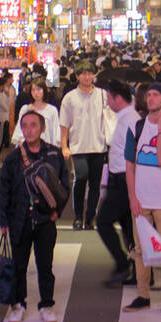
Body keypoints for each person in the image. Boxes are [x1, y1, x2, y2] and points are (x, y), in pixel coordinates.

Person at [0, 109, 71, 322]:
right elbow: (4, 190)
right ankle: (18, 304)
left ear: (43, 128)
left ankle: (46, 304)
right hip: (18, 219)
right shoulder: (13, 158)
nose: (29, 130)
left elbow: (64, 186)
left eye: (33, 125)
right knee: (18, 266)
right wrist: (4, 221)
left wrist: (57, 211)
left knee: (45, 265)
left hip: (45, 219)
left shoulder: (54, 154)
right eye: (25, 126)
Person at [123, 83, 161, 315]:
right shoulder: (135, 126)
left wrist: (160, 130)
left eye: (156, 94)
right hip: (140, 197)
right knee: (140, 250)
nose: (150, 98)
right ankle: (143, 295)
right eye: (148, 94)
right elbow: (129, 164)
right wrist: (132, 197)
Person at [96, 79, 139, 286]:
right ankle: (139, 269)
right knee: (129, 227)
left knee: (104, 221)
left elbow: (132, 154)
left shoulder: (130, 119)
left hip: (124, 179)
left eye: (109, 98)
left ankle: (123, 264)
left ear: (118, 98)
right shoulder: (124, 117)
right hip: (119, 178)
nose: (107, 103)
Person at [59, 59, 109, 231]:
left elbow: (109, 119)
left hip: (98, 145)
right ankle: (78, 216)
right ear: (77, 76)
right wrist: (64, 146)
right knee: (81, 178)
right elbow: (64, 125)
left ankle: (90, 218)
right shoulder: (69, 98)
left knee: (96, 184)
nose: (87, 76)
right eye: (83, 73)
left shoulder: (103, 95)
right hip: (78, 147)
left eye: (90, 73)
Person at [11, 77, 61, 146]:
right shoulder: (25, 109)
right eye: (33, 90)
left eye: (39, 89)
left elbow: (55, 131)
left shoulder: (52, 110)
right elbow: (20, 130)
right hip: (28, 148)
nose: (36, 93)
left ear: (44, 90)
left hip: (46, 149)